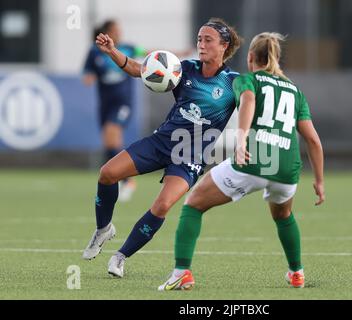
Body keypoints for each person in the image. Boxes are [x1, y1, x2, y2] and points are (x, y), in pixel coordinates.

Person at [158, 32, 325, 291]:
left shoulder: (248, 80)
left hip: (255, 161)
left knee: (193, 204)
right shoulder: (295, 90)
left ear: (250, 58)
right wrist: (319, 181)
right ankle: (297, 273)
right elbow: (313, 141)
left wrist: (242, 139)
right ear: (276, 58)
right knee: (283, 215)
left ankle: (181, 272)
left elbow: (248, 100)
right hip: (287, 169)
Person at [81, 18, 243, 279]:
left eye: (208, 40)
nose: (201, 44)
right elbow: (138, 69)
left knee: (163, 204)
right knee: (107, 173)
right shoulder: (185, 68)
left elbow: (255, 105)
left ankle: (120, 257)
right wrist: (112, 51)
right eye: (199, 39)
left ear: (224, 45)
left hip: (190, 156)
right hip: (162, 142)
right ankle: (103, 229)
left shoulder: (234, 82)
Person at [83, 20, 145, 202]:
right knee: (109, 143)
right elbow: (88, 72)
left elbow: (149, 52)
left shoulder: (128, 49)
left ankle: (127, 180)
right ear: (107, 33)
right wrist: (89, 76)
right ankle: (118, 178)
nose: (119, 33)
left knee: (112, 136)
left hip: (123, 103)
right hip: (106, 104)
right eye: (115, 30)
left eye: (119, 30)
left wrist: (178, 54)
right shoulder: (95, 52)